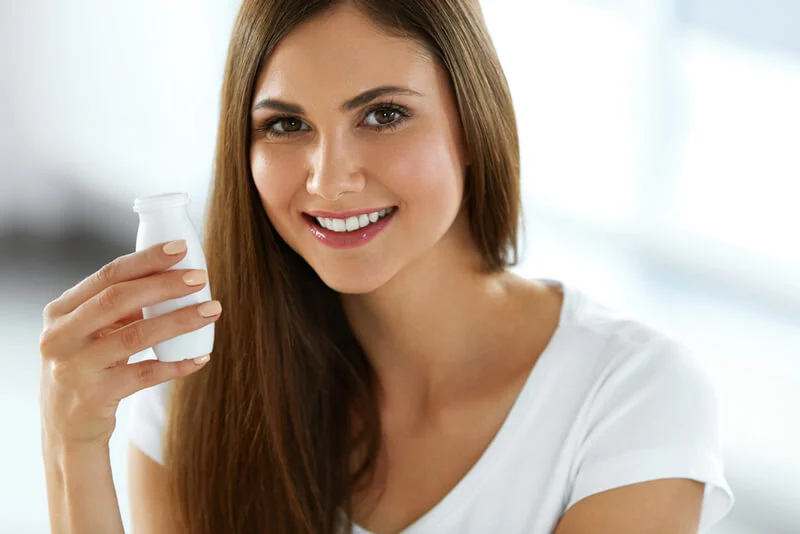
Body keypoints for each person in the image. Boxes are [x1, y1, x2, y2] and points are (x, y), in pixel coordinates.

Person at [38, 1, 734, 533]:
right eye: (286, 125)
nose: (330, 179)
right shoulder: (201, 386)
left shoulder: (630, 401)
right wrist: (74, 443)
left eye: (383, 115)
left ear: (471, 124)